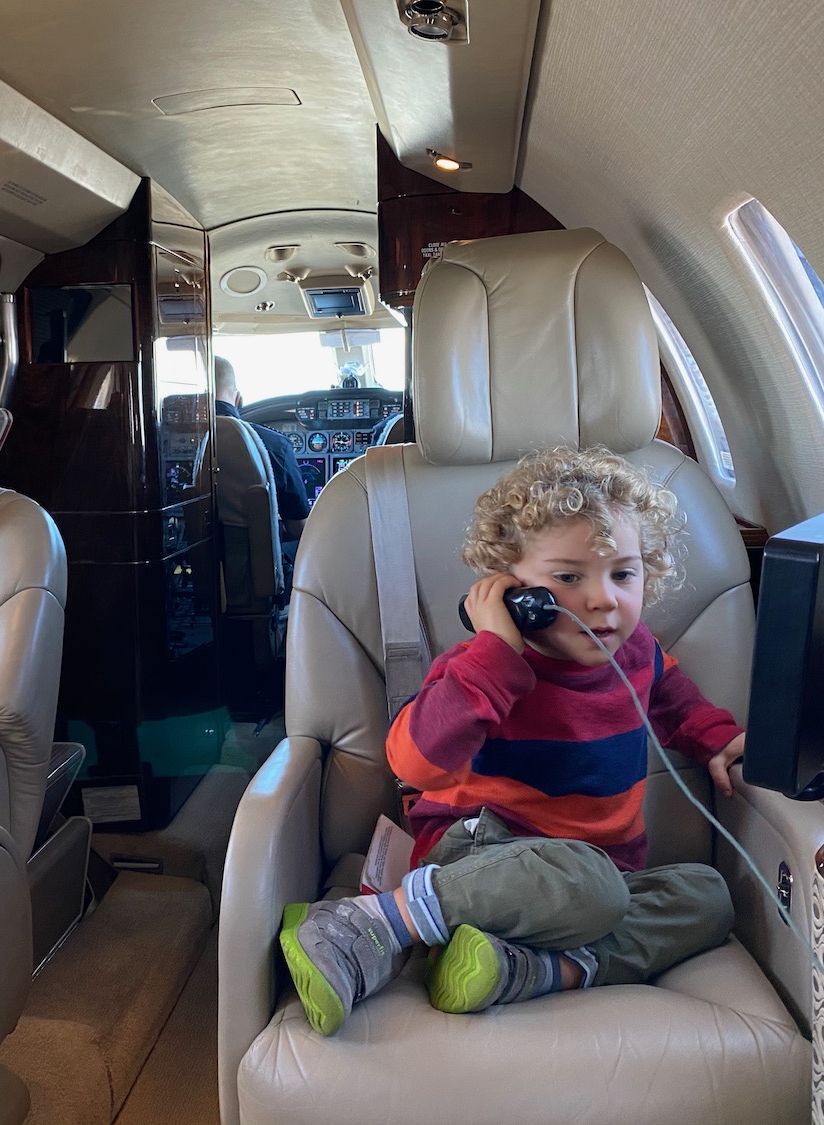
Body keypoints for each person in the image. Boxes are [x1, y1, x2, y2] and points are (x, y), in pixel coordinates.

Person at [279, 446, 747, 1036]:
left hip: (597, 882)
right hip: (482, 861)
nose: (603, 598)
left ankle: (528, 970)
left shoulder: (635, 652)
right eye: (569, 578)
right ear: (511, 591)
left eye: (622, 573)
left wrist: (715, 739)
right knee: (594, 889)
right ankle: (367, 924)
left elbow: (674, 695)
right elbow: (412, 761)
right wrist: (496, 654)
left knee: (707, 897)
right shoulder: (481, 670)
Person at [213, 356, 313, 538]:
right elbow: (298, 529)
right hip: (257, 563)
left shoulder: (162, 445)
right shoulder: (274, 444)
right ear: (238, 400)